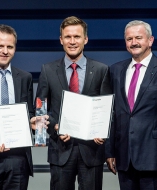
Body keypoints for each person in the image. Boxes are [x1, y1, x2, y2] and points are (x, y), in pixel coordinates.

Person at [33, 16, 112, 190]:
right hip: (60, 150)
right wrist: (55, 127)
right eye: (68, 37)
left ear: (86, 39)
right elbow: (40, 109)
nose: (72, 41)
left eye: (77, 36)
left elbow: (107, 109)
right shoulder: (47, 70)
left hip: (92, 151)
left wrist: (102, 132)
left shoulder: (101, 70)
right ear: (61, 40)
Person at [106, 20, 157, 190]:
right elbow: (111, 114)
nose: (134, 42)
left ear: (151, 40)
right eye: (129, 39)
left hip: (155, 157)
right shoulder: (115, 70)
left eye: (138, 37)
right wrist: (109, 151)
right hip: (124, 156)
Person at [0, 24, 34, 190]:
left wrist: (32, 121)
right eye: (0, 46)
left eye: (10, 46)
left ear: (15, 49)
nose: (5, 51)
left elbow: (29, 112)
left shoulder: (25, 78)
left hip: (18, 162)